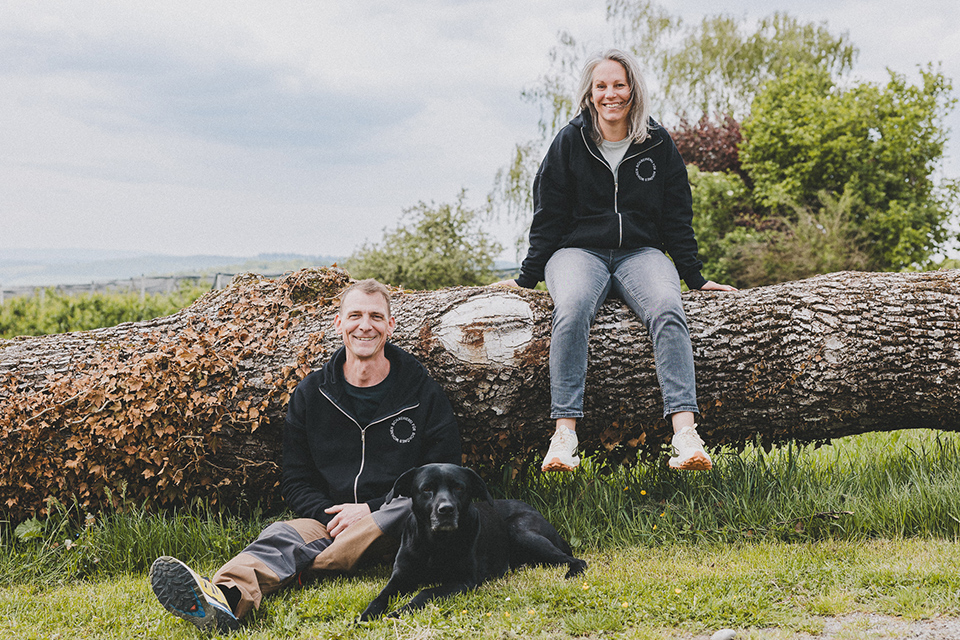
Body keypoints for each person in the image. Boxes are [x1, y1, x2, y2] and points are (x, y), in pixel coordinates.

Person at [149, 278, 461, 632]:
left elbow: (444, 473)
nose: (364, 325)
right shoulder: (312, 393)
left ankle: (307, 566)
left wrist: (370, 509)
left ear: (390, 325)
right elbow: (295, 479)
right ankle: (222, 598)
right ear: (338, 323)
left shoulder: (421, 391)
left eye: (375, 316)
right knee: (282, 534)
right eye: (355, 315)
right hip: (329, 522)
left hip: (398, 520)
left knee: (407, 507)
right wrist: (331, 517)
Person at [497, 49, 736, 473]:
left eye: (619, 85)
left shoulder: (658, 142)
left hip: (641, 254)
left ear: (633, 89)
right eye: (601, 86)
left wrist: (695, 279)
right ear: (590, 94)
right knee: (570, 311)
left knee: (667, 308)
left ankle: (685, 435)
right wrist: (526, 278)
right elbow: (548, 214)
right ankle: (564, 436)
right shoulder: (570, 141)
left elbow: (677, 217)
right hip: (576, 253)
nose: (611, 94)